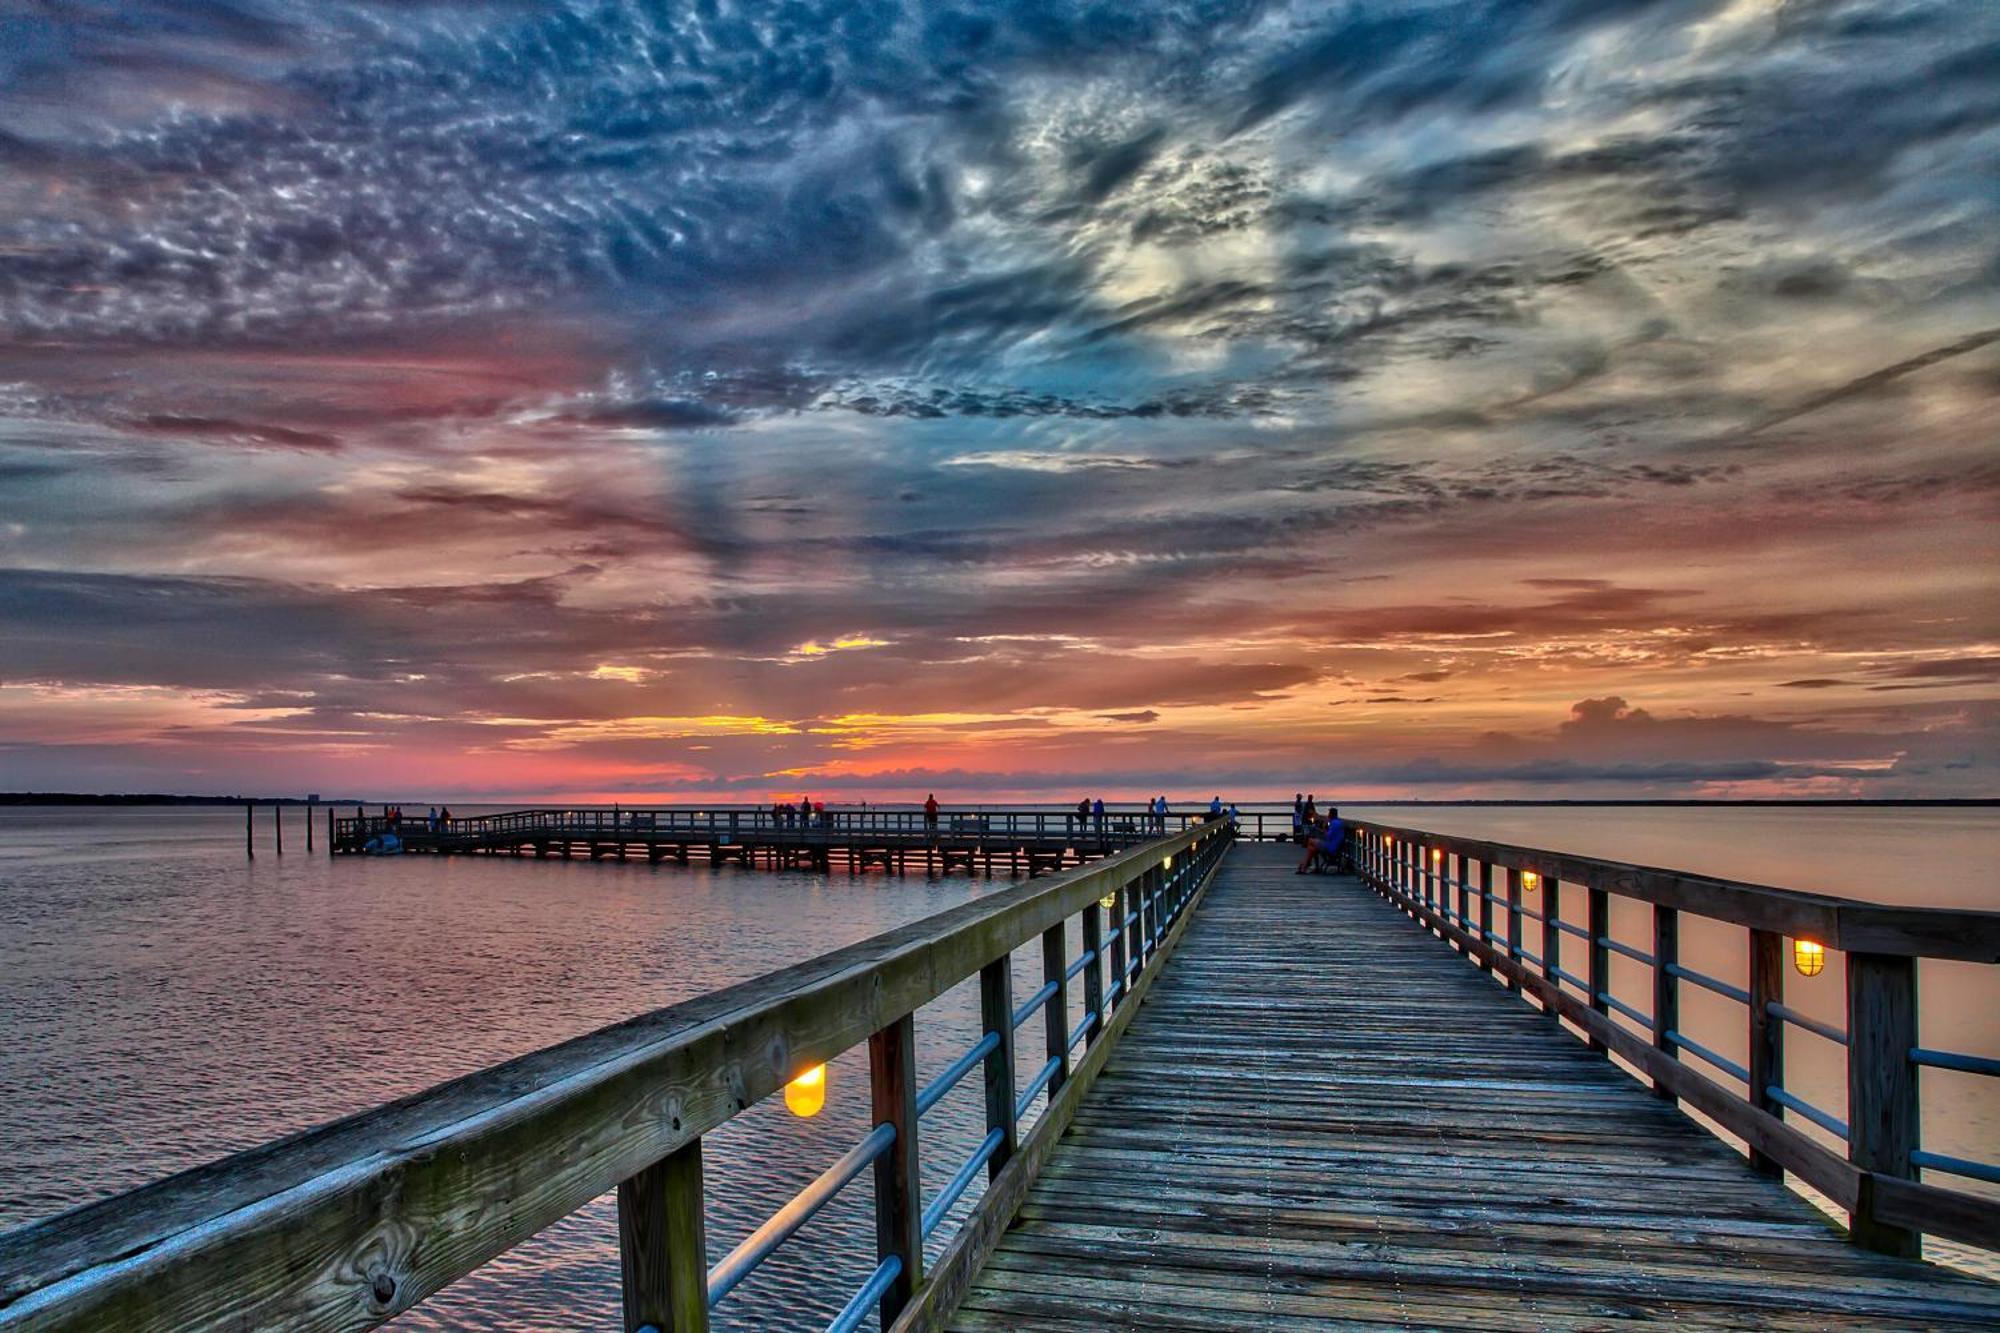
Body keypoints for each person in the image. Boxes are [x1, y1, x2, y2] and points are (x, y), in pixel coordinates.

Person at [1296, 806, 1347, 874]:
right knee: (1311, 848)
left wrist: (1324, 827)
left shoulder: (1334, 823)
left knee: (1310, 841)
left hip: (1331, 847)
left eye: (1329, 813)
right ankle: (1305, 866)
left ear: (1331, 815)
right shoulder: (1338, 822)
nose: (1328, 815)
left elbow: (1327, 837)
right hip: (1336, 846)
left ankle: (1305, 865)